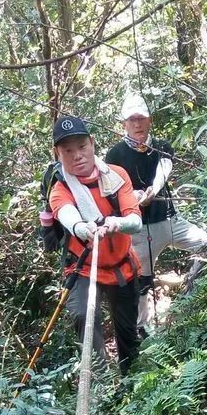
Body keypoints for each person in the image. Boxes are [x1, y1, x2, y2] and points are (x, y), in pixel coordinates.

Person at [41, 115, 142, 375]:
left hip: (122, 267)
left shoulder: (116, 176)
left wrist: (115, 224)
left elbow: (134, 221)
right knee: (83, 318)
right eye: (68, 150)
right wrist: (81, 228)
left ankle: (131, 380)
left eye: (82, 147)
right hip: (85, 268)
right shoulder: (60, 188)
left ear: (92, 143)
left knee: (127, 331)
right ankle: (100, 380)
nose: (77, 156)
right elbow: (66, 214)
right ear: (57, 153)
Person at [106, 94, 207, 333]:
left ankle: (190, 301)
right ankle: (142, 329)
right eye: (132, 119)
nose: (137, 124)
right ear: (124, 122)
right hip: (140, 231)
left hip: (171, 221)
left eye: (141, 118)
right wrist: (134, 197)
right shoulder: (115, 155)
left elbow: (164, 168)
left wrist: (153, 190)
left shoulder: (161, 146)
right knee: (142, 282)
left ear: (150, 120)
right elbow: (115, 189)